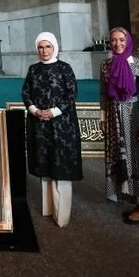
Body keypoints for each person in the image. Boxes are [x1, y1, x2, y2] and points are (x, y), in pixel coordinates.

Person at [100, 27, 139, 224]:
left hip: (135, 118)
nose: (117, 44)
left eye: (121, 40)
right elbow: (103, 94)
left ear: (128, 42)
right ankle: (134, 200)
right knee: (121, 158)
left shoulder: (138, 65)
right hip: (114, 119)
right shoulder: (105, 65)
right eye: (113, 40)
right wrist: (103, 118)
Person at [22, 32, 82, 227]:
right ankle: (49, 210)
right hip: (39, 124)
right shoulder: (33, 69)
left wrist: (53, 112)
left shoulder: (64, 68)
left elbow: (72, 94)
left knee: (61, 166)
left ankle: (62, 216)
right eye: (41, 47)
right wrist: (34, 110)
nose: (44, 51)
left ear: (54, 47)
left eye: (47, 47)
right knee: (45, 165)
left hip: (62, 126)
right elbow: (26, 92)